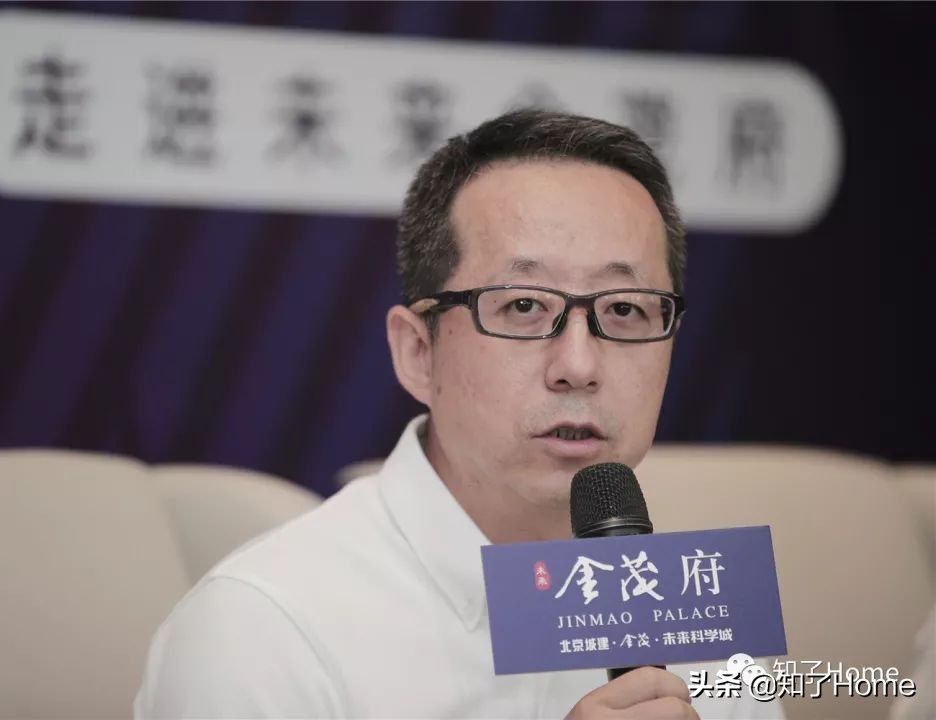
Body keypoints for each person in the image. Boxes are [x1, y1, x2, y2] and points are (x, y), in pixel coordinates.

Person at [134, 110, 783, 719]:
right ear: (418, 352)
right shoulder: (264, 629)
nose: (579, 364)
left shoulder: (696, 616)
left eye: (624, 309)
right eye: (524, 306)